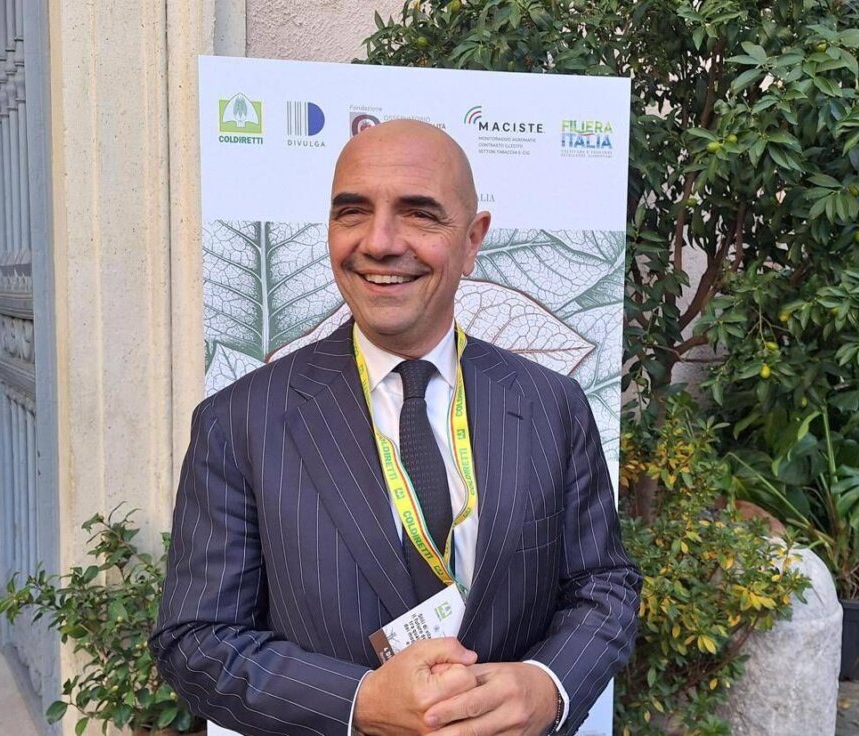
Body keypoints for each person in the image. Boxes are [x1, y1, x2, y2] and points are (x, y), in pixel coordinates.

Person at [151, 119, 640, 736]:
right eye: (352, 212)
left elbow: (603, 584)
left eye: (418, 214)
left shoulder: (552, 404)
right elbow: (195, 639)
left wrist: (549, 687)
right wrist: (360, 703)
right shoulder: (239, 421)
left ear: (473, 240)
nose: (379, 242)